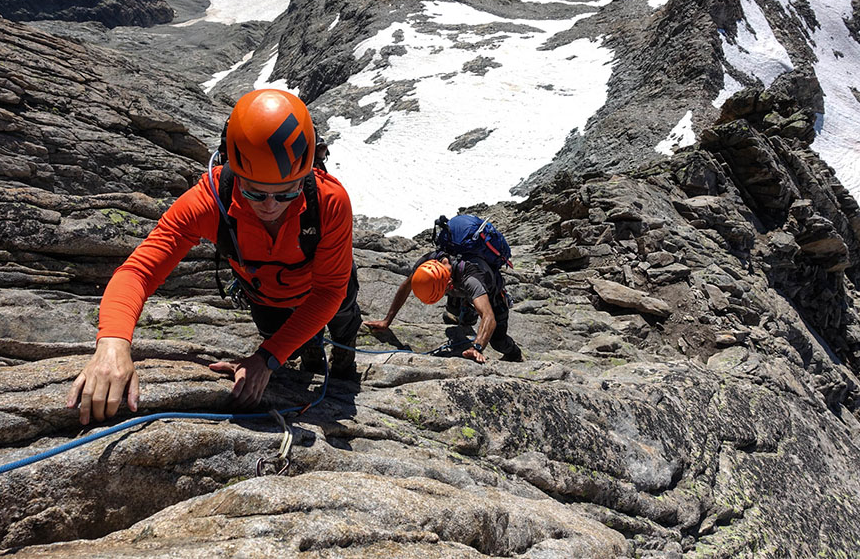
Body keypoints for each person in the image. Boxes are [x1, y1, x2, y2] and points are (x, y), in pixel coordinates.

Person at [66, 89, 360, 425]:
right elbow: (138, 272)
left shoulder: (329, 201)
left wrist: (266, 358)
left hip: (318, 291)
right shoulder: (209, 201)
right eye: (254, 191)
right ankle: (308, 351)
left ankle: (343, 363)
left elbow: (328, 292)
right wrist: (113, 342)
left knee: (344, 322)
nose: (271, 205)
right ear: (231, 167)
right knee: (296, 341)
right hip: (267, 299)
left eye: (287, 192)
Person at [364, 251, 522, 364]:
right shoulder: (428, 265)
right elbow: (406, 287)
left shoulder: (471, 279)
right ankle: (467, 316)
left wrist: (477, 347)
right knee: (454, 317)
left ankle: (515, 354)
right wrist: (387, 321)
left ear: (449, 284)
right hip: (465, 290)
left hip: (492, 295)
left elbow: (489, 317)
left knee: (497, 341)